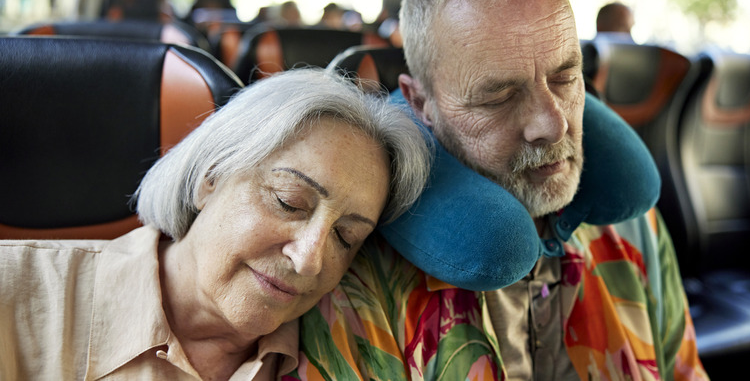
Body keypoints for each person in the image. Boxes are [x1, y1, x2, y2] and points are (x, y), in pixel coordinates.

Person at [292, 0, 709, 380]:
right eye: (499, 96)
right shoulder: (355, 272)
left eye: (565, 78)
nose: (553, 124)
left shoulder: (635, 227)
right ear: (420, 102)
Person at [0, 68, 431, 380]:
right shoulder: (15, 291)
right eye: (288, 202)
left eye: (346, 236)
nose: (309, 259)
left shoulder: (349, 346)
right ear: (211, 176)